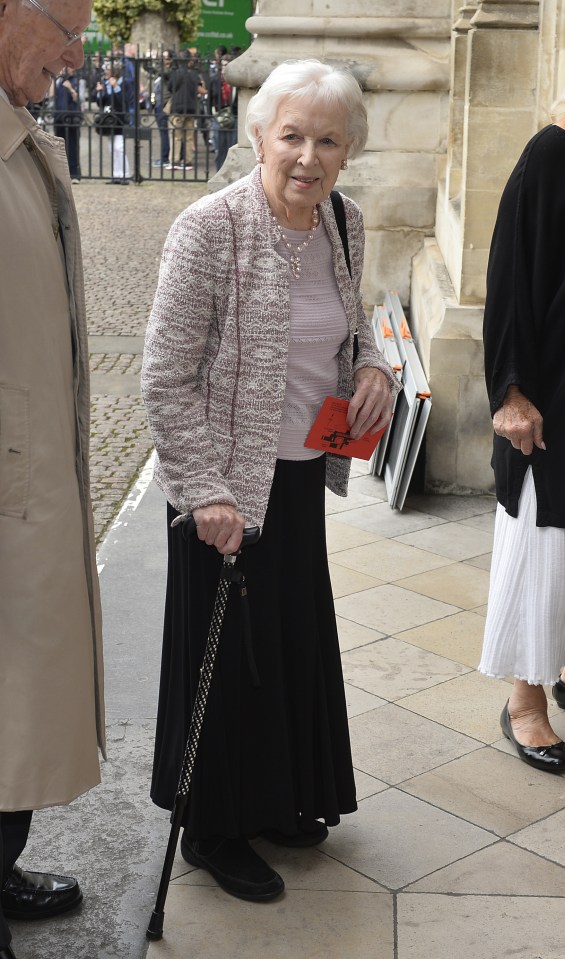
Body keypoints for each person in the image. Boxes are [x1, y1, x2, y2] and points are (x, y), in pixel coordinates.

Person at [142, 58, 399, 903]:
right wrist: (204, 491)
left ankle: (283, 799)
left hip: (295, 476)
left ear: (348, 151)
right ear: (258, 136)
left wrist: (373, 372)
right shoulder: (208, 228)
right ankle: (214, 826)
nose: (307, 156)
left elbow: (351, 328)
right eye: (291, 135)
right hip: (222, 486)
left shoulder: (342, 223)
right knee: (228, 656)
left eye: (327, 140)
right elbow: (164, 379)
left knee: (286, 643)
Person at [0, 1, 105, 957]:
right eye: (64, 29)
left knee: (21, 705)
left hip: (32, 476)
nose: (78, 53)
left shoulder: (21, 131)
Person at [480, 97, 565, 773]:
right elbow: (508, 279)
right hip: (551, 396)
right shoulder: (549, 154)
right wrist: (509, 393)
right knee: (542, 546)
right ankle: (523, 699)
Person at [96, 58, 130, 183]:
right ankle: (116, 175)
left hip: (119, 119)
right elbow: (101, 102)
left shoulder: (123, 83)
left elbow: (123, 102)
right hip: (108, 119)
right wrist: (99, 92)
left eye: (108, 70)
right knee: (112, 148)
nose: (105, 72)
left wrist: (115, 87)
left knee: (119, 147)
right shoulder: (105, 83)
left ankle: (125, 175)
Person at [53, 66, 81, 181]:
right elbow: (51, 97)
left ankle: (74, 174)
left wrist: (71, 89)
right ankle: (62, 175)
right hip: (59, 118)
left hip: (72, 118)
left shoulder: (77, 81)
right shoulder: (58, 81)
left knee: (72, 146)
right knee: (59, 147)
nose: (66, 69)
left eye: (68, 67)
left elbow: (80, 99)